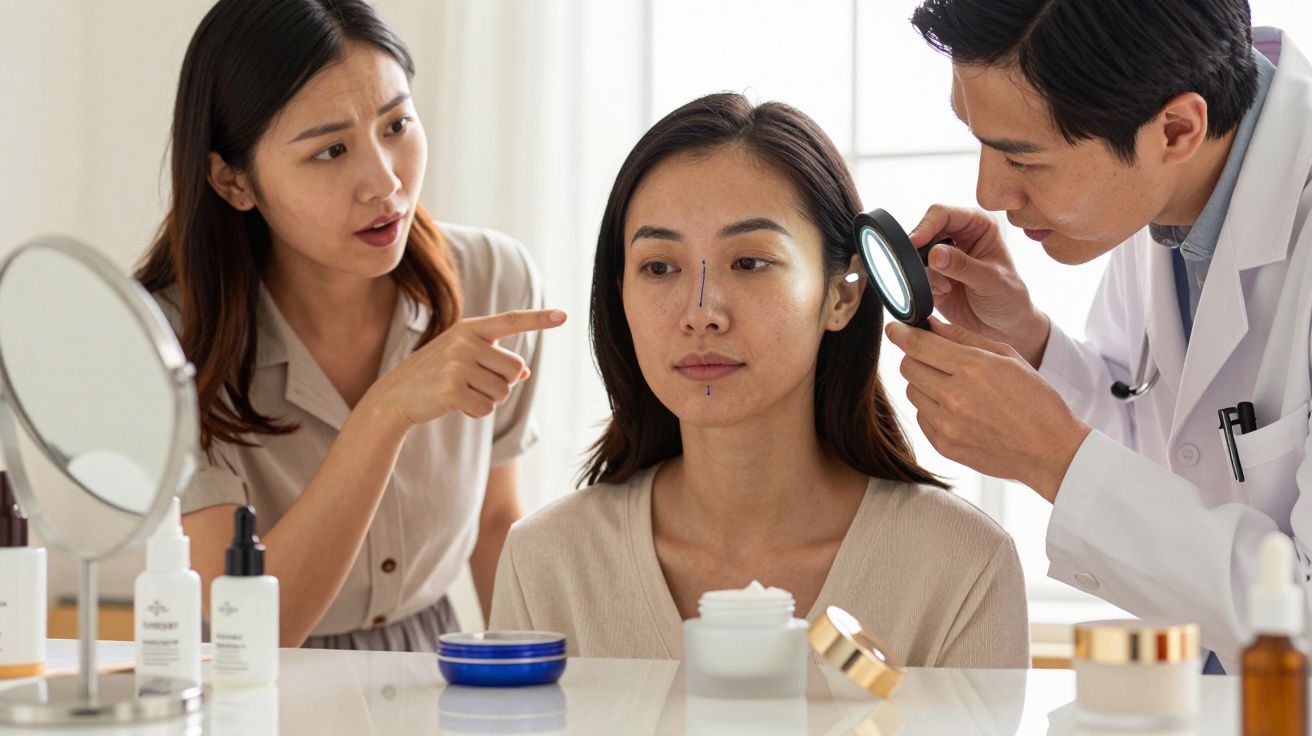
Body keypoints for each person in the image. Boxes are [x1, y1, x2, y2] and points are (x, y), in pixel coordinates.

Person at [489, 93, 1029, 668]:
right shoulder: (545, 561)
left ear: (841, 296)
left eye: (749, 263)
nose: (702, 313)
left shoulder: (963, 565)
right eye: (659, 267)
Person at [888, 0, 1312, 671]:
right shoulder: (1164, 190)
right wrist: (1029, 341)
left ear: (1176, 130)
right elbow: (1176, 446)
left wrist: (1052, 459)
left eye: (1023, 159)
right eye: (980, 139)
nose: (989, 192)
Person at [136, 0, 565, 650]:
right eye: (331, 150)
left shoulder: (492, 278)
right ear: (232, 181)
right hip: (254, 680)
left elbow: (494, 520)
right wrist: (383, 413)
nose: (384, 182)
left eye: (397, 125)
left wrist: (537, 681)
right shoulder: (167, 344)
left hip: (431, 667)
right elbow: (252, 626)